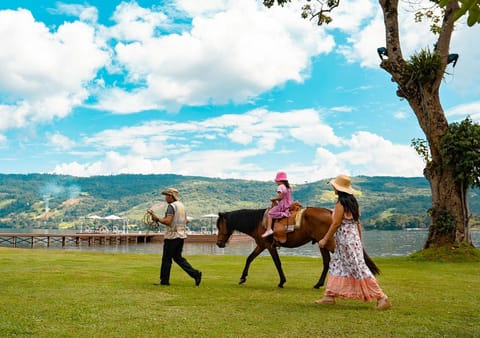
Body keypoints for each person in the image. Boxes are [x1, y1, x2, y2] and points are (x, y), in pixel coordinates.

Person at [316, 174, 391, 310]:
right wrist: (359, 242)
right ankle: (329, 296)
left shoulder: (340, 204)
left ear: (338, 188)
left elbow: (336, 224)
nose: (333, 187)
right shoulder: (353, 203)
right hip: (351, 241)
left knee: (358, 268)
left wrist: (325, 239)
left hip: (345, 242)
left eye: (334, 185)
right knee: (336, 265)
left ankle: (382, 297)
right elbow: (357, 223)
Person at [147, 187, 202, 287]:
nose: (165, 198)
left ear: (171, 196)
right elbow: (186, 220)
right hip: (181, 235)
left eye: (166, 196)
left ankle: (164, 281)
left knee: (166, 259)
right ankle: (195, 274)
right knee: (178, 258)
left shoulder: (171, 206)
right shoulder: (182, 206)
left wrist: (157, 219)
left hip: (172, 236)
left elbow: (168, 221)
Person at [261, 171, 293, 238]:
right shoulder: (288, 187)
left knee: (269, 213)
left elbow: (281, 197)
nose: (276, 182)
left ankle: (269, 229)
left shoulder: (280, 187)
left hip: (283, 205)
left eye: (276, 181)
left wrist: (273, 199)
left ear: (279, 180)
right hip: (289, 204)